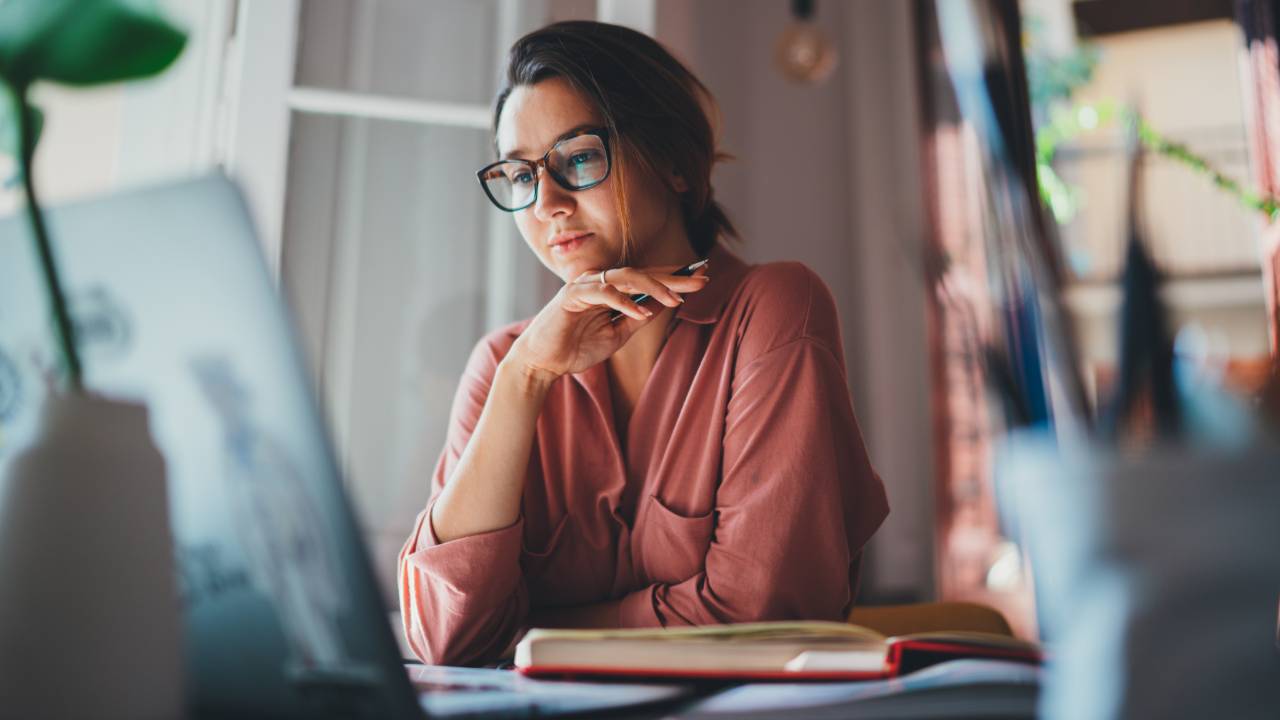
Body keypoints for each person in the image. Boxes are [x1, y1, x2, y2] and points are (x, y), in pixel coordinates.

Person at [398, 20, 889, 667]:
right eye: (520, 176)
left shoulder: (772, 311)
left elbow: (762, 619)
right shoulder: (504, 364)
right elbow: (443, 639)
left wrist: (529, 633)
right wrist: (525, 380)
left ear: (674, 163)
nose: (545, 202)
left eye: (577, 158)